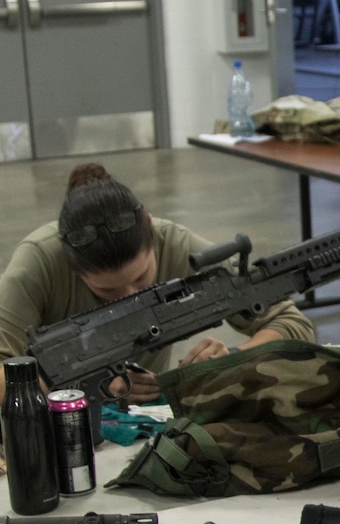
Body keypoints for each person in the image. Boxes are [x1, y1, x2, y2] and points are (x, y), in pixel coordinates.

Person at [0, 163, 315, 404]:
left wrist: (233, 357)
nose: (129, 297)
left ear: (151, 229)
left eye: (141, 278)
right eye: (107, 292)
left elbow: (292, 323)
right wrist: (86, 386)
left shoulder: (179, 247)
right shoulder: (36, 264)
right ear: (70, 264)